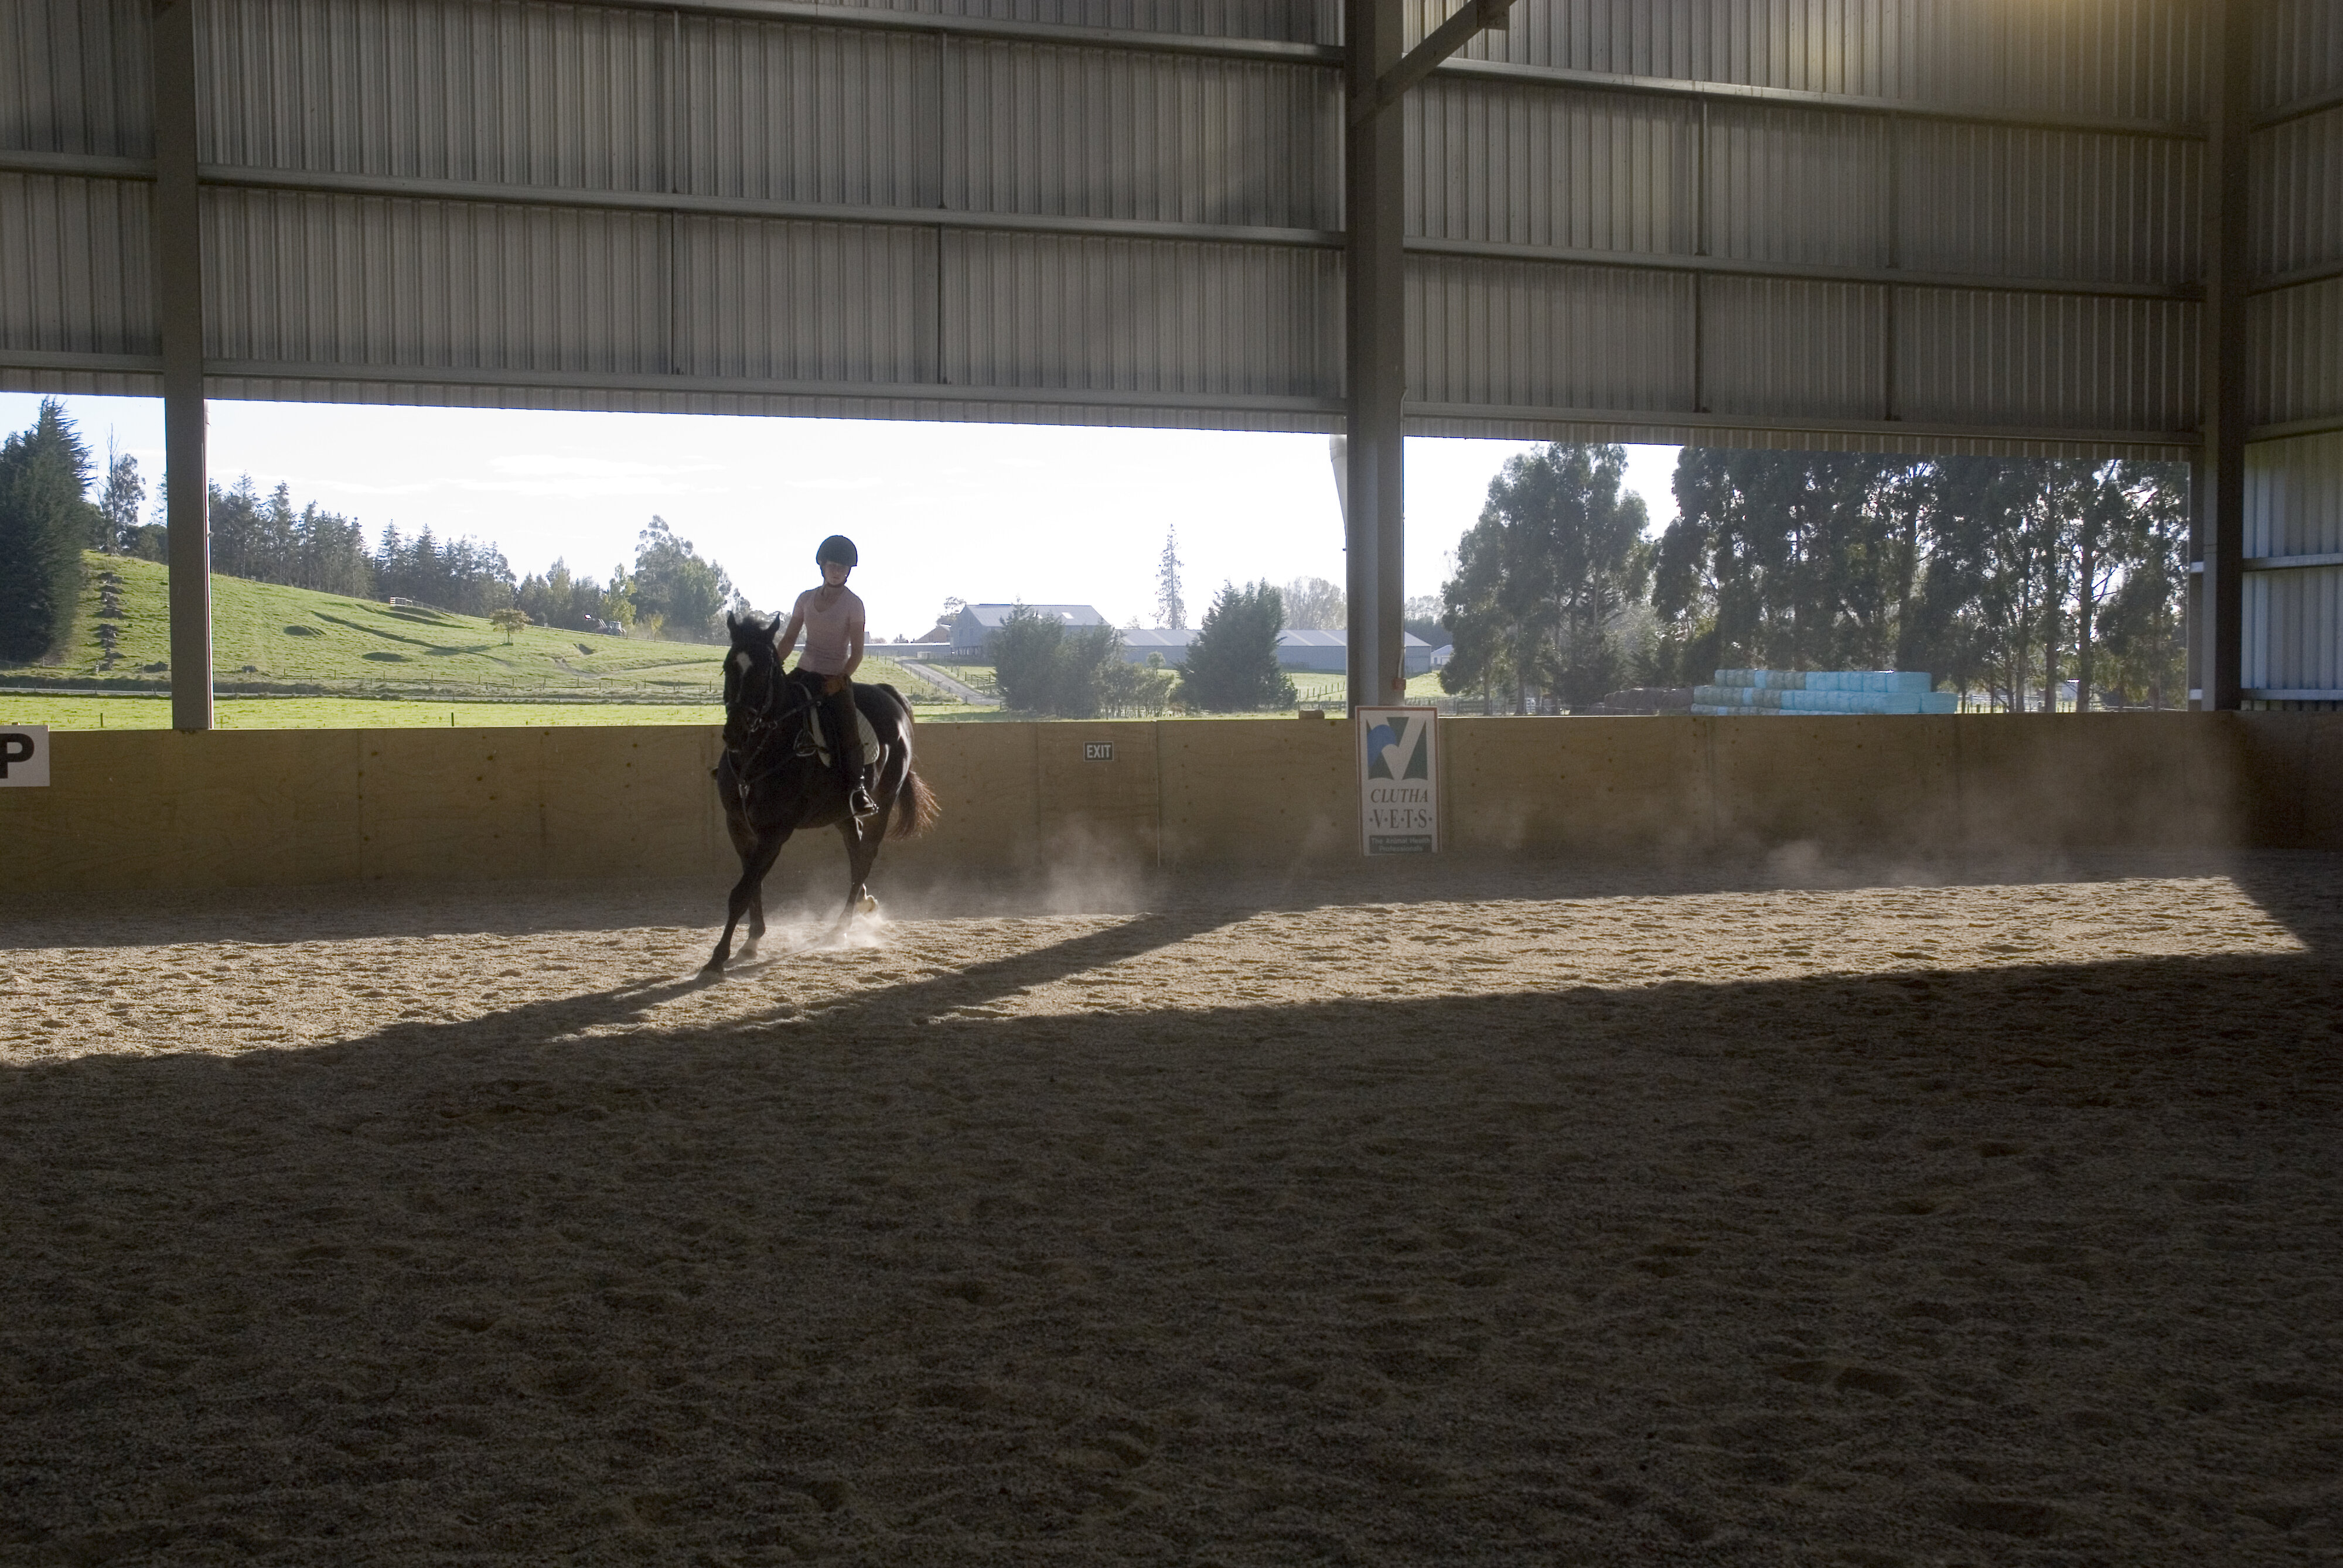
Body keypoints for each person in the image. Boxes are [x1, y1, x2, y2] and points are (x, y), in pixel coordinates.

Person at [776, 534, 877, 817]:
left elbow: (857, 652)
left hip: (835, 677)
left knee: (848, 730)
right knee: (770, 708)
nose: (837, 571)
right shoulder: (805, 599)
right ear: (822, 566)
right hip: (804, 670)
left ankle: (858, 790)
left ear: (848, 572)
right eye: (833, 565)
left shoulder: (854, 604)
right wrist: (774, 666)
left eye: (843, 568)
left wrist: (842, 678)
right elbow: (788, 641)